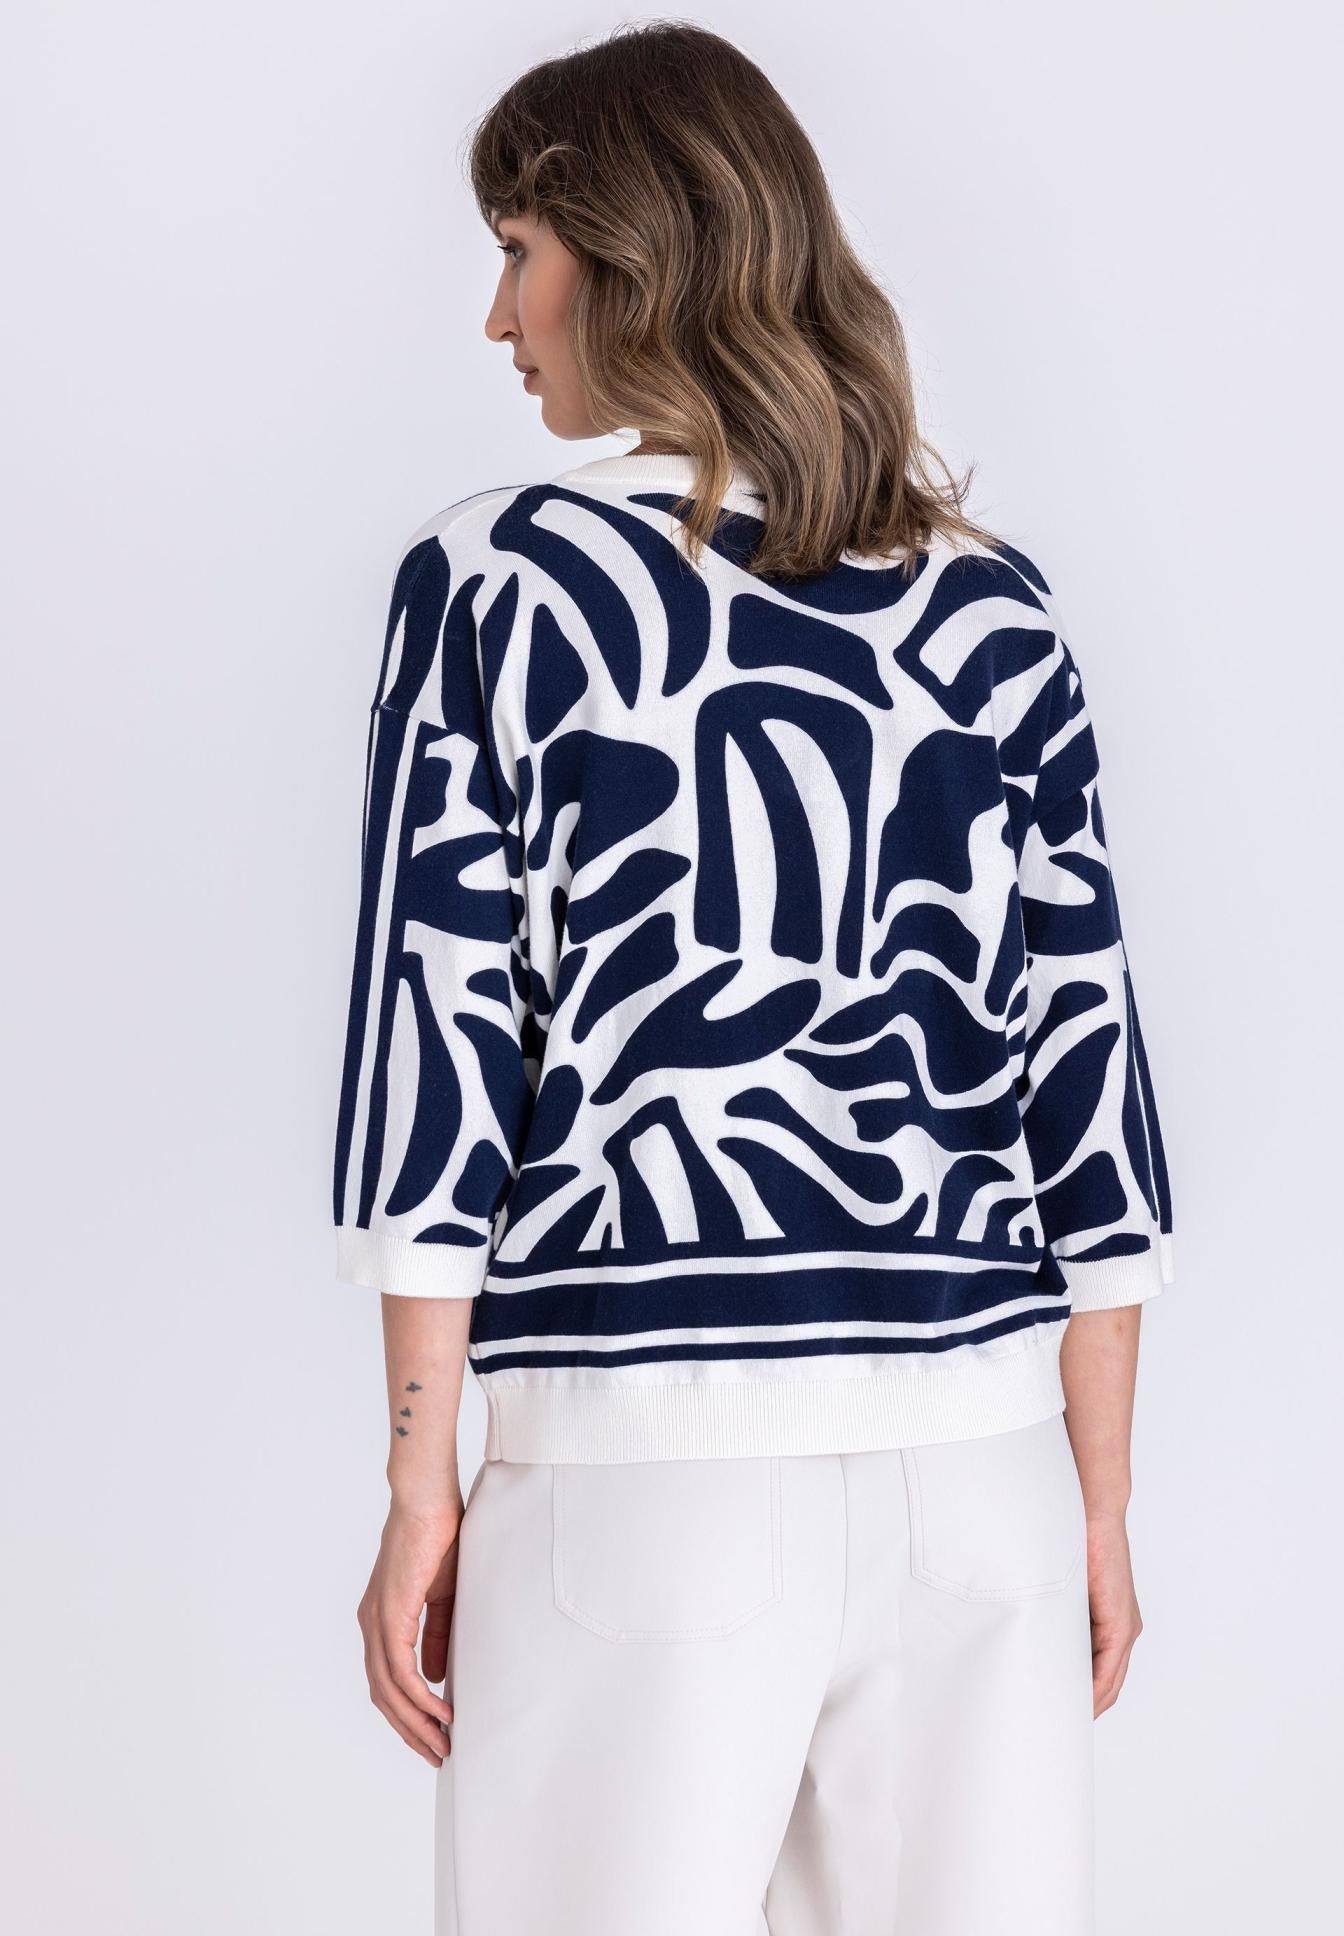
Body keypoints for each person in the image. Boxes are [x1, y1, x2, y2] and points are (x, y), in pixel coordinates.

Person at [331, 21, 1175, 1936]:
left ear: (633, 260)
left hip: (645, 1476)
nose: (498, 318)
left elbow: (438, 1059)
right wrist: (1100, 1500)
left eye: (520, 254)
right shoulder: (991, 601)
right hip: (985, 1481)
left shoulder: (499, 584)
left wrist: (420, 1482)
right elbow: (1090, 1082)